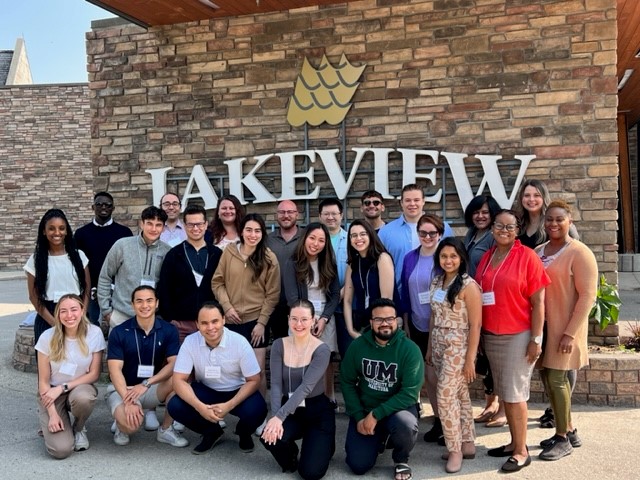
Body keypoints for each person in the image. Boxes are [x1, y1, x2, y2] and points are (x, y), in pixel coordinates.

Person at [475, 209, 550, 473]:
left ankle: (521, 451)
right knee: (506, 391)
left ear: (517, 229)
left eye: (510, 227)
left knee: (516, 394)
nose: (503, 231)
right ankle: (512, 443)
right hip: (492, 335)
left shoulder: (528, 257)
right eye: (499, 226)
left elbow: (539, 302)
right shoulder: (487, 256)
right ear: (492, 228)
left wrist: (536, 338)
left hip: (518, 335)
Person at [535, 200, 597, 461]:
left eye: (559, 218)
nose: (553, 223)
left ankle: (562, 440)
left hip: (565, 328)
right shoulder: (538, 251)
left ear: (570, 221)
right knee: (548, 378)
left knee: (558, 379)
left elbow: (587, 297)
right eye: (549, 219)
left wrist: (570, 333)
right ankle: (569, 430)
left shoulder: (579, 252)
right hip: (544, 327)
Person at [167, 301, 268, 454]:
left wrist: (230, 405)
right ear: (197, 324)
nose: (210, 327)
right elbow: (178, 380)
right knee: (175, 406)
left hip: (236, 391)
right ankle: (211, 432)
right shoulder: (190, 342)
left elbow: (254, 380)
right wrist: (200, 407)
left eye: (215, 321)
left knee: (259, 410)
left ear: (223, 320)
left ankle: (243, 432)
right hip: (207, 390)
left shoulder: (239, 342)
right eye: (204, 323)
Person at [340, 298, 424, 480]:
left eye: (390, 319)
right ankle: (379, 438)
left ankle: (401, 458)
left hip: (398, 410)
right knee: (358, 465)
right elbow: (346, 382)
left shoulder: (410, 350)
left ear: (397, 321)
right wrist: (359, 417)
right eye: (379, 319)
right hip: (366, 408)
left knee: (406, 425)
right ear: (371, 322)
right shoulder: (358, 346)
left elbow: (410, 393)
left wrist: (376, 415)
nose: (385, 323)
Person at [106, 286, 188, 448]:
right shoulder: (119, 331)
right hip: (122, 389)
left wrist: (147, 383)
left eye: (149, 300)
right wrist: (128, 400)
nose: (145, 306)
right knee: (131, 426)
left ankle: (165, 429)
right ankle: (121, 426)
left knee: (178, 379)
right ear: (132, 305)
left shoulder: (168, 329)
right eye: (139, 301)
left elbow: (174, 364)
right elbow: (114, 370)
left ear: (157, 303)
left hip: (150, 387)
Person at [261, 300, 335, 479]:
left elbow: (306, 387)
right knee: (269, 437)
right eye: (294, 319)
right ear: (288, 320)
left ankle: (324, 445)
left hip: (317, 411)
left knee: (310, 473)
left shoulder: (322, 349)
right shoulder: (279, 344)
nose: (298, 324)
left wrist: (279, 417)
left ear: (313, 321)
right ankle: (292, 452)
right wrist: (275, 417)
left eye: (304, 319)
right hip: (292, 409)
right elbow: (277, 384)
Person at [426, 238, 482, 474]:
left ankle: (455, 449)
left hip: (458, 344)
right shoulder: (437, 281)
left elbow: (476, 324)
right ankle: (467, 443)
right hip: (438, 342)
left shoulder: (469, 286)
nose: (448, 260)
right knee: (459, 395)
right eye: (444, 256)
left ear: (461, 259)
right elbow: (433, 316)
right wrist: (430, 346)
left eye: (453, 256)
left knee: (445, 398)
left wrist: (470, 359)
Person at [212, 213, 280, 398]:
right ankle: (223, 409)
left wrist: (262, 323)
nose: (253, 234)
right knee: (228, 369)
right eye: (249, 230)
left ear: (262, 233)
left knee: (256, 371)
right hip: (231, 319)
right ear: (241, 231)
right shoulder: (229, 252)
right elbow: (217, 282)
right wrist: (226, 306)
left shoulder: (269, 258)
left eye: (257, 231)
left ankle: (259, 415)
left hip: (255, 322)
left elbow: (272, 294)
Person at [35, 294, 106, 458]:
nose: (69, 315)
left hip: (79, 387)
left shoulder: (94, 333)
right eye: (63, 311)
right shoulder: (47, 337)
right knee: (61, 450)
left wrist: (62, 387)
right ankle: (51, 421)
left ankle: (79, 428)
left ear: (82, 310)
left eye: (74, 309)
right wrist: (52, 415)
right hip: (51, 393)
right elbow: (43, 382)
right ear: (58, 315)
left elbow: (94, 374)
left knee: (84, 399)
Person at [282, 222, 340, 405]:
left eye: (321, 240)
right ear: (304, 238)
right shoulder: (292, 263)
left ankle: (328, 397)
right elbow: (292, 297)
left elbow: (335, 295)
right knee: (300, 358)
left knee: (326, 358)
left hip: (325, 317)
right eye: (312, 238)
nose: (316, 243)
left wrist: (323, 318)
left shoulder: (328, 262)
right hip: (300, 316)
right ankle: (300, 399)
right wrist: (308, 319)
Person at [399, 213, 444, 444]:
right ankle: (439, 420)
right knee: (427, 376)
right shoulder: (409, 258)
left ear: (440, 234)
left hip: (442, 327)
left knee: (439, 377)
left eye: (432, 233)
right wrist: (406, 323)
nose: (427, 237)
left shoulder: (445, 257)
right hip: (416, 325)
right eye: (423, 233)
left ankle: (446, 422)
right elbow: (404, 293)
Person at [462, 195, 505, 427]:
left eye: (485, 212)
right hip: (472, 301)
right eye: (477, 212)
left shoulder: (493, 237)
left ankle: (500, 407)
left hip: (489, 302)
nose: (480, 216)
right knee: (483, 355)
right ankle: (490, 403)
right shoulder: (471, 235)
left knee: (494, 356)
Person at [97, 205, 170, 331]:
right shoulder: (122, 246)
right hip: (122, 316)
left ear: (163, 228)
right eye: (149, 223)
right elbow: (105, 277)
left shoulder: (168, 252)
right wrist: (107, 311)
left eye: (158, 225)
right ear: (141, 224)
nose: (153, 229)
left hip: (152, 318)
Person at [157, 204, 223, 343]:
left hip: (210, 323)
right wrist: (170, 319)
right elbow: (164, 288)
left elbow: (224, 285)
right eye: (191, 225)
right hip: (180, 325)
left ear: (206, 225)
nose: (195, 228)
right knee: (181, 364)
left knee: (210, 364)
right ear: (185, 226)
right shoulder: (174, 254)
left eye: (199, 224)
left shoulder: (216, 254)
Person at [25, 209, 90, 344]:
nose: (57, 233)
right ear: (44, 231)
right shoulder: (36, 260)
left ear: (66, 231)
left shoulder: (79, 256)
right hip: (48, 315)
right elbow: (33, 296)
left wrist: (80, 316)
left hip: (76, 313)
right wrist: (55, 323)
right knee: (48, 362)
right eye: (51, 229)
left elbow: (87, 289)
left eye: (61, 228)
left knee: (79, 361)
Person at [378, 184, 453, 293]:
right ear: (401, 203)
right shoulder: (385, 232)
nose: (412, 204)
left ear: (423, 201)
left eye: (416, 200)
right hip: (399, 295)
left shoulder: (443, 228)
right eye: (408, 200)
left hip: (438, 294)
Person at [74, 192, 133, 325]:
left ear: (113, 208)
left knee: (118, 327)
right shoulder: (81, 234)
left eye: (108, 205)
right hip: (90, 289)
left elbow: (128, 262)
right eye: (99, 204)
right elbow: (77, 264)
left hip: (117, 289)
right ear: (93, 207)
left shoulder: (124, 233)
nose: (103, 207)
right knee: (89, 327)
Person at [343, 219, 394, 341]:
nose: (358, 238)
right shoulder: (353, 264)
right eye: (354, 235)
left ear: (370, 235)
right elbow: (347, 300)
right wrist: (351, 330)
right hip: (362, 326)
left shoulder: (382, 259)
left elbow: (387, 300)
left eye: (363, 234)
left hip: (383, 325)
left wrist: (377, 327)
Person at [266, 200, 305, 340]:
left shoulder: (306, 237)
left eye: (290, 212)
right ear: (276, 215)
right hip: (276, 302)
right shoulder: (267, 239)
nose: (286, 215)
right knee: (280, 342)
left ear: (297, 215)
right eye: (282, 212)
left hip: (300, 301)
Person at [318, 198, 350, 360]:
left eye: (334, 213)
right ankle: (327, 387)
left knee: (347, 351)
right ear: (320, 216)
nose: (330, 217)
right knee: (325, 354)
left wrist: (339, 296)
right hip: (320, 306)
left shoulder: (351, 240)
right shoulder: (313, 241)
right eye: (326, 214)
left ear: (341, 215)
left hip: (345, 304)